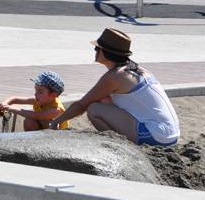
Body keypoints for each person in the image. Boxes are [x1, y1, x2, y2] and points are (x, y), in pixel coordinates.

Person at [49, 28, 178, 146]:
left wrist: (57, 121)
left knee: (94, 109)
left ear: (106, 52)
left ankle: (120, 146)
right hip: (171, 135)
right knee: (103, 101)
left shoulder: (116, 76)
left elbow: (82, 104)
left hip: (157, 136)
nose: (95, 51)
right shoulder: (138, 70)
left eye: (97, 48)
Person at [0, 71, 69, 131]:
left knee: (50, 124)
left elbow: (36, 115)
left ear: (53, 95)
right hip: (41, 129)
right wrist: (4, 104)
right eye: (36, 90)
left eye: (40, 92)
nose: (35, 94)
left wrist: (11, 108)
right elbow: (14, 99)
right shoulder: (37, 100)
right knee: (29, 121)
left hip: (57, 138)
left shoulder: (56, 109)